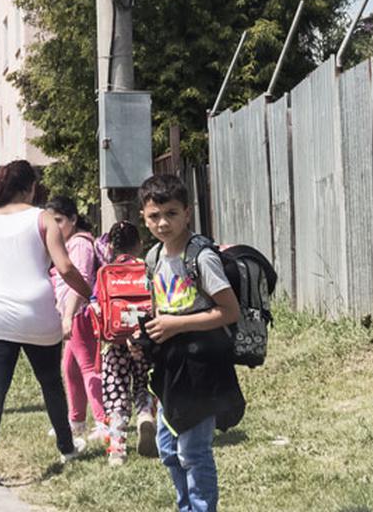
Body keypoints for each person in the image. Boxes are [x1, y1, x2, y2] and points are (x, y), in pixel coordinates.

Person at [0, 159, 92, 486]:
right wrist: (88, 292)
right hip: (37, 313)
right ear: (30, 187)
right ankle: (67, 448)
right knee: (50, 383)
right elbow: (64, 267)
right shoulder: (42, 218)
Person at [140, 174, 244, 512]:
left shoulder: (201, 258)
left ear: (188, 212)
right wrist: (148, 336)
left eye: (171, 213)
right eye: (154, 215)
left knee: (193, 452)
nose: (162, 223)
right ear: (143, 216)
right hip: (171, 367)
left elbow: (229, 312)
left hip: (202, 367)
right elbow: (160, 310)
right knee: (169, 450)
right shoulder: (154, 258)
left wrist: (176, 325)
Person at [93, 220, 157, 465]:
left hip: (115, 342)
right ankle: (144, 417)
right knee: (144, 385)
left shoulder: (106, 271)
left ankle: (117, 449)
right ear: (139, 245)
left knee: (116, 394)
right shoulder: (147, 267)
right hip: (145, 339)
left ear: (111, 246)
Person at [45, 195, 106, 447]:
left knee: (89, 368)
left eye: (59, 220)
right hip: (71, 315)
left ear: (72, 219)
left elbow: (80, 282)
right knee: (69, 368)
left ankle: (104, 422)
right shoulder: (67, 242)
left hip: (80, 315)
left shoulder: (79, 244)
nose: (54, 226)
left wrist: (69, 315)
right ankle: (76, 420)